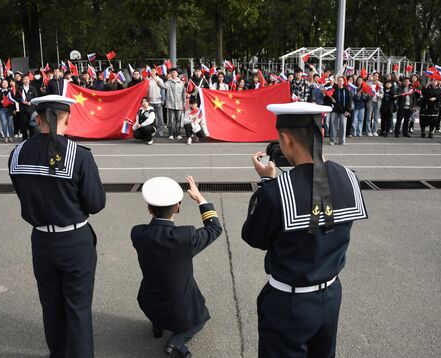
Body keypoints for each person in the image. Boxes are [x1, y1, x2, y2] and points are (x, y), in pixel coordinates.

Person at [241, 101, 368, 358]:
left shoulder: (277, 191)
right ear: (320, 135)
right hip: (331, 294)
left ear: (286, 139)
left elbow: (254, 237)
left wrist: (266, 180)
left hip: (289, 303)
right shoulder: (349, 177)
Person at [9, 95, 106, 358]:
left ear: (37, 119)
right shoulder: (79, 155)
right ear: (68, 119)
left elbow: (23, 193)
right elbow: (96, 203)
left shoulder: (17, 153)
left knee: (51, 305)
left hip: (41, 240)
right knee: (78, 308)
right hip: (74, 239)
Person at [131, 176, 222, 358]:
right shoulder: (185, 237)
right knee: (201, 316)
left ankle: (157, 326)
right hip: (180, 309)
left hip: (148, 302)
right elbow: (214, 229)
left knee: (158, 298)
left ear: (149, 208)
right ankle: (176, 342)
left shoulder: (138, 233)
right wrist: (200, 199)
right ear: (178, 206)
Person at [329, 76, 352, 145]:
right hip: (335, 110)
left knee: (343, 125)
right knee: (333, 125)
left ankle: (342, 141)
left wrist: (348, 110)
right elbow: (329, 97)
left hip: (343, 111)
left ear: (343, 82)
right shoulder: (334, 89)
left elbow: (349, 101)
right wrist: (331, 99)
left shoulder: (346, 90)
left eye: (341, 81)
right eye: (338, 80)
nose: (339, 82)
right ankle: (333, 140)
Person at [15, 74, 38, 141]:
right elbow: (16, 97)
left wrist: (31, 102)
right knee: (24, 124)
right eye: (24, 79)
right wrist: (22, 101)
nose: (26, 81)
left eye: (27, 79)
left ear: (29, 80)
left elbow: (36, 97)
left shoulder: (32, 88)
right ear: (22, 81)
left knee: (32, 124)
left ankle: (32, 138)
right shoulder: (20, 88)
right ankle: (24, 138)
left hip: (31, 109)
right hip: (23, 108)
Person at [165, 68, 185, 140]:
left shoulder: (181, 83)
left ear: (177, 74)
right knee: (171, 120)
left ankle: (178, 134)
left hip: (179, 104)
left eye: (174, 73)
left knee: (178, 120)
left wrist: (184, 104)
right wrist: (158, 82)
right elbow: (163, 86)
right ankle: (170, 134)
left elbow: (183, 94)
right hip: (171, 104)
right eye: (172, 73)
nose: (173, 74)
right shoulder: (168, 82)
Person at [0, 78, 16, 143]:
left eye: (6, 83)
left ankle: (10, 136)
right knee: (4, 123)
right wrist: (0, 101)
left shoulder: (10, 91)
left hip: (10, 109)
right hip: (2, 109)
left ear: (8, 84)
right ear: (1, 84)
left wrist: (14, 109)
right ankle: (6, 136)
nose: (4, 84)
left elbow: (13, 100)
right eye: (3, 83)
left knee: (10, 124)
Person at [148, 68, 167, 136]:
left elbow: (163, 90)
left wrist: (163, 99)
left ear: (156, 72)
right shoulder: (148, 80)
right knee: (152, 117)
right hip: (150, 101)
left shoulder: (160, 80)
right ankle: (153, 130)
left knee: (160, 117)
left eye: (153, 71)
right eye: (151, 71)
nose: (152, 72)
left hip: (158, 101)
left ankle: (160, 130)